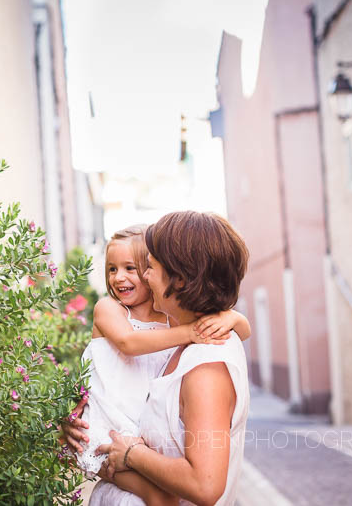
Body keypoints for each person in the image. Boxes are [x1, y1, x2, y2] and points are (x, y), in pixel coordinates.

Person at [66, 212, 251, 506]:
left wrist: (131, 454)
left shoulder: (205, 366)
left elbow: (205, 485)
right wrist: (77, 418)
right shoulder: (185, 339)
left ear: (179, 279)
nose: (144, 276)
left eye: (148, 267)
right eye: (113, 268)